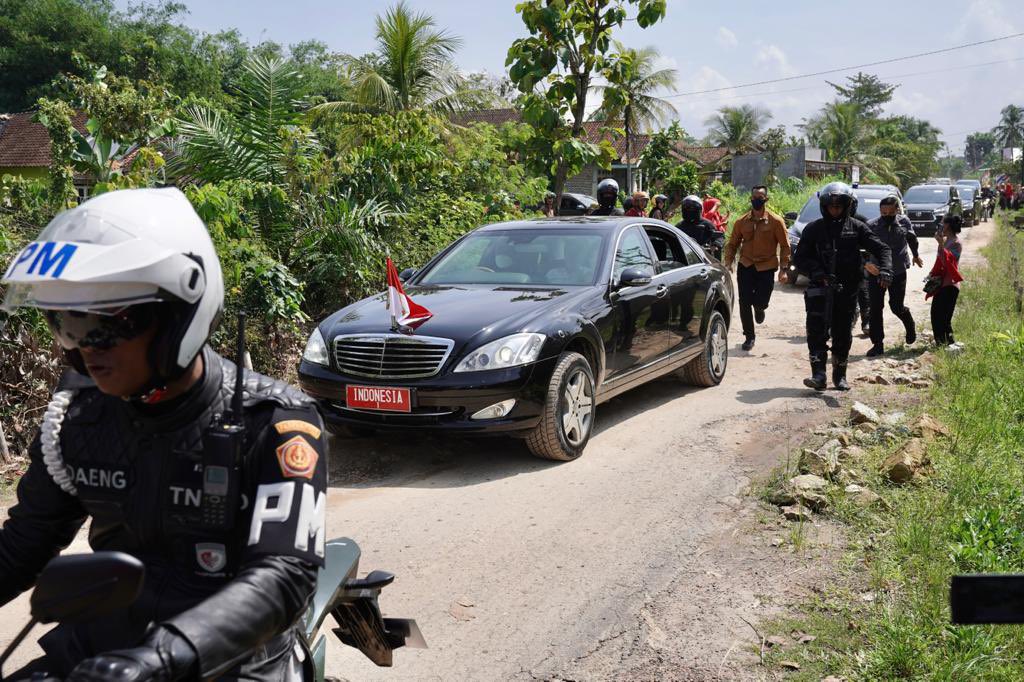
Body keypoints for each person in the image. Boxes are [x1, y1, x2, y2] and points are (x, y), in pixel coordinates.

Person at [0, 188, 328, 680]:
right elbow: (24, 543)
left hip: (230, 657)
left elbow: (284, 576)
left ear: (178, 314)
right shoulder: (78, 417)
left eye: (104, 323)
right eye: (66, 323)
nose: (85, 347)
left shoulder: (275, 420)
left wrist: (163, 655)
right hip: (103, 652)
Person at [794, 182, 893, 391]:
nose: (835, 210)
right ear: (824, 206)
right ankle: (818, 375)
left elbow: (882, 248)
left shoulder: (857, 227)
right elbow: (800, 258)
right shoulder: (813, 229)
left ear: (847, 206)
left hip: (848, 290)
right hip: (819, 288)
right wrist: (817, 272)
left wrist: (886, 269)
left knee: (842, 333)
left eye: (839, 206)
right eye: (831, 206)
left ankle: (840, 376)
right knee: (816, 331)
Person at [722, 185, 791, 351]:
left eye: (760, 197)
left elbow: (785, 246)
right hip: (746, 264)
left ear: (766, 199)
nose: (756, 200)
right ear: (751, 199)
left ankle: (760, 308)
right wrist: (728, 261)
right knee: (744, 301)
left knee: (760, 301)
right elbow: (732, 244)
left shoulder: (776, 221)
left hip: (766, 266)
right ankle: (749, 336)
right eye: (754, 197)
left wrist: (783, 268)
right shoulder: (741, 221)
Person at [864, 195, 923, 356]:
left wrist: (916, 255)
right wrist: (866, 264)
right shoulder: (872, 225)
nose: (887, 215)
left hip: (898, 270)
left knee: (896, 306)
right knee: (875, 308)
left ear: (897, 210)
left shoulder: (904, 222)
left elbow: (912, 239)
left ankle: (909, 325)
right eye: (884, 213)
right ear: (880, 211)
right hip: (877, 272)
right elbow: (862, 247)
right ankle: (878, 344)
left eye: (891, 212)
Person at [928, 214, 964, 348]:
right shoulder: (946, 240)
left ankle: (948, 344)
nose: (940, 225)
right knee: (936, 315)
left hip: (950, 285)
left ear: (947, 225)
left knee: (944, 318)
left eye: (942, 223)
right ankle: (942, 344)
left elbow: (948, 263)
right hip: (941, 284)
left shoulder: (956, 243)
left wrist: (941, 245)